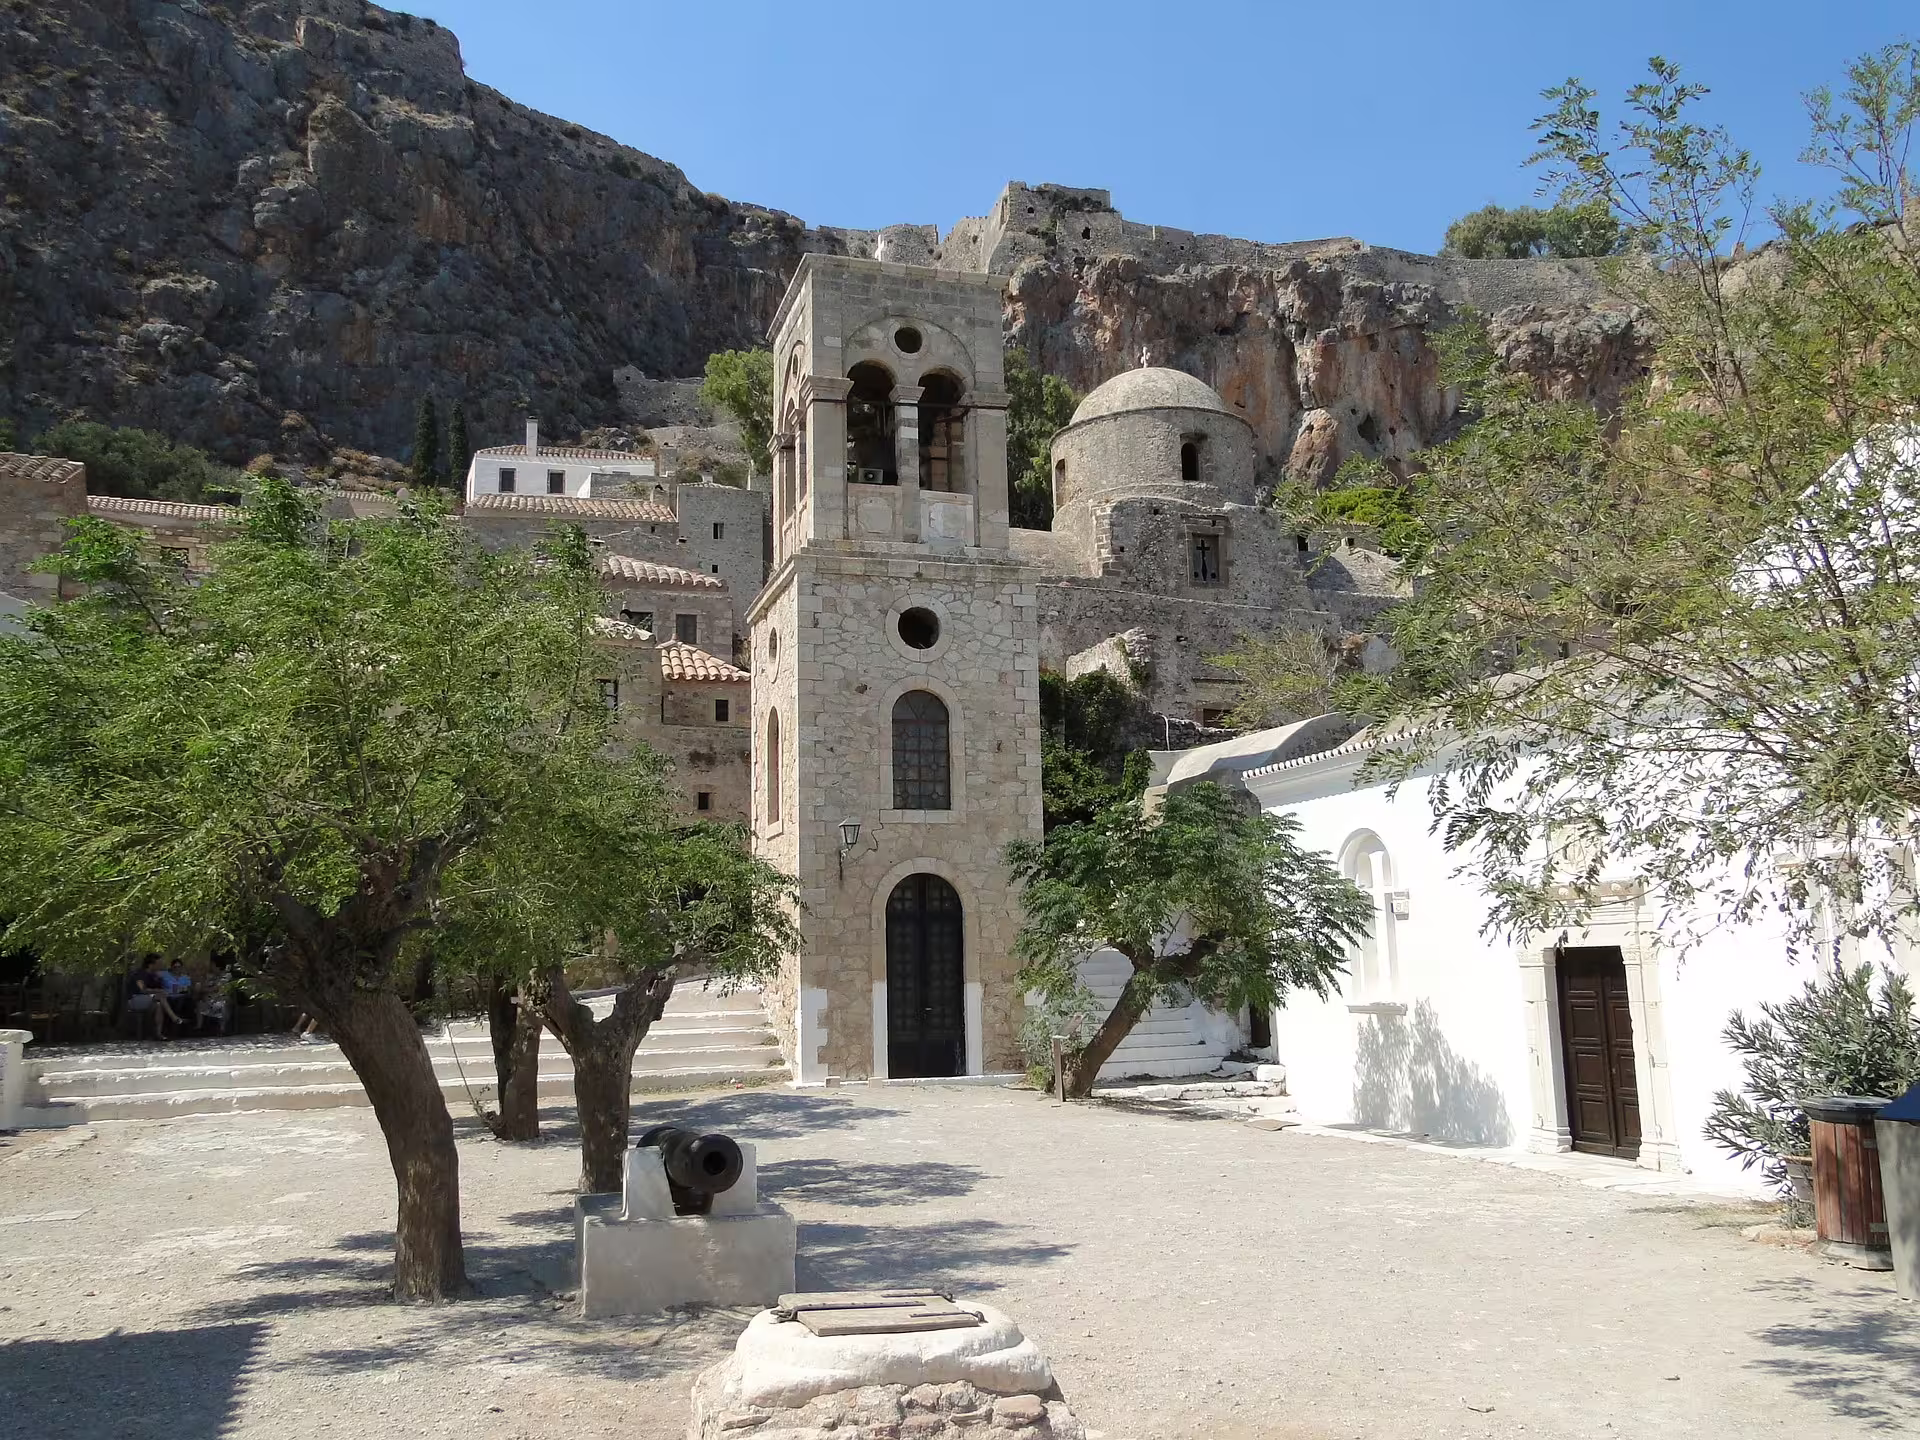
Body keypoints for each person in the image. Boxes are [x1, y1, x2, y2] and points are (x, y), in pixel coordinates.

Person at [125, 957, 185, 1040]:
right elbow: (143, 989)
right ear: (150, 965)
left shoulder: (154, 976)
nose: (160, 966)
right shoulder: (139, 974)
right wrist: (158, 991)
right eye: (158, 964)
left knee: (159, 1005)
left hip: (149, 999)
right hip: (135, 999)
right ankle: (174, 1017)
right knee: (160, 996)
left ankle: (158, 1034)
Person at [162, 960, 196, 1027]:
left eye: (179, 967)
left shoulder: (185, 978)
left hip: (183, 997)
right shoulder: (166, 977)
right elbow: (165, 989)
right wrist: (179, 989)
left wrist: (180, 989)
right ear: (172, 967)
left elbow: (188, 989)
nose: (177, 969)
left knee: (188, 999)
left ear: (181, 968)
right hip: (170, 998)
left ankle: (188, 1022)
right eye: (175, 967)